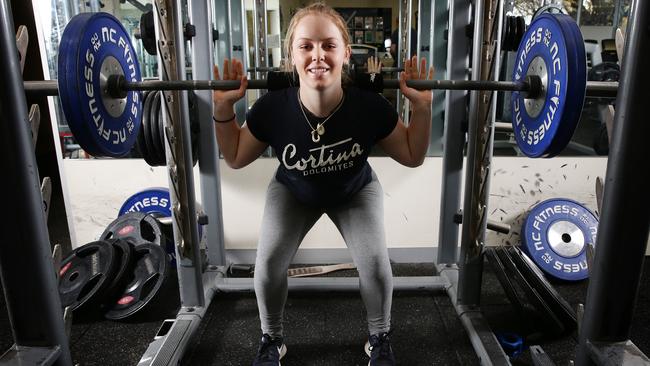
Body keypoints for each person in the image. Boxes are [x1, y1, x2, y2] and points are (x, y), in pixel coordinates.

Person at [211, 2, 433, 365]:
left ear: (346, 53)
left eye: (329, 45)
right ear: (292, 56)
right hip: (293, 192)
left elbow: (412, 154)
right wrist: (223, 111)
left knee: (376, 265)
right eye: (306, 46)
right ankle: (272, 339)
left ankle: (379, 337)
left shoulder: (369, 106)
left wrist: (422, 109)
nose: (318, 55)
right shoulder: (271, 108)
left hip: (354, 191)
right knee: (267, 267)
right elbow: (235, 156)